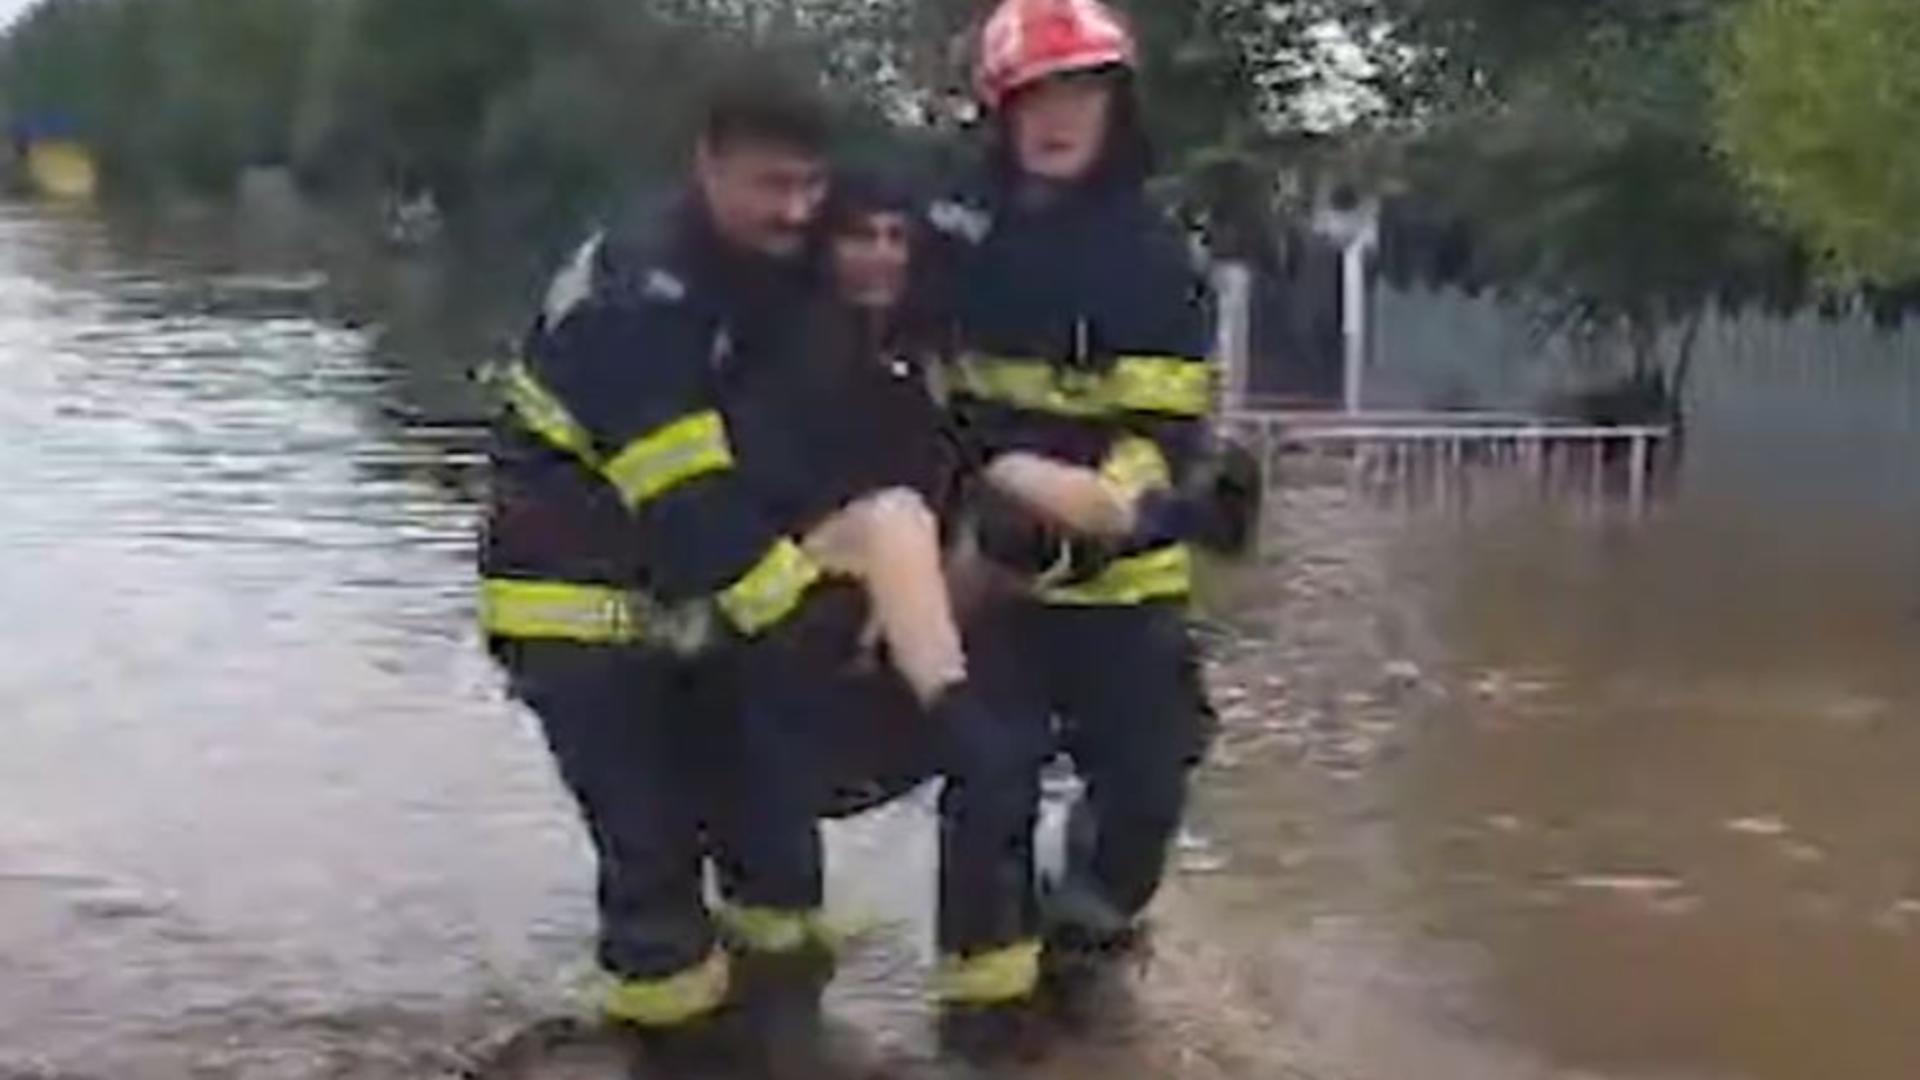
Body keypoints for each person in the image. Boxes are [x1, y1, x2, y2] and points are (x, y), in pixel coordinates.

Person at [479, 70, 879, 1076]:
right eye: (768, 185)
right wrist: (819, 623)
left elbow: (792, 448)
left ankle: (780, 1023)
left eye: (808, 187)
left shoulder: (765, 273)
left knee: (770, 827)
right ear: (707, 163)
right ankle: (674, 1046)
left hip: (697, 609)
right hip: (581, 613)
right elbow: (691, 505)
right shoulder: (639, 292)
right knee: (650, 846)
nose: (793, 209)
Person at [925, 0, 1242, 1054]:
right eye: (1033, 98)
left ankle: (1083, 953)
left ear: (1117, 105)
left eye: (1079, 92)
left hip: (1126, 583)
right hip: (992, 575)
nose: (1056, 118)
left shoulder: (1158, 263)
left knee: (1150, 782)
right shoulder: (953, 244)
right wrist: (981, 494)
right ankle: (981, 1016)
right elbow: (910, 398)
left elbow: (1166, 426)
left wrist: (1125, 504)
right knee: (990, 778)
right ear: (999, 113)